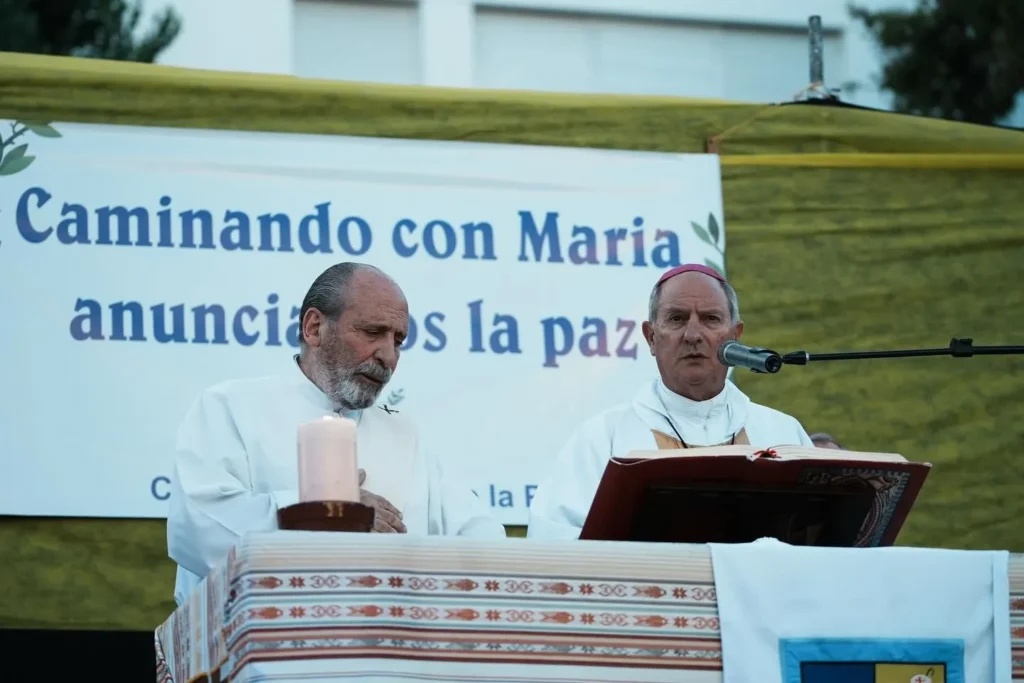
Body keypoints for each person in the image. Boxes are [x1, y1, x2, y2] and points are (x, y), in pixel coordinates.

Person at [167, 262, 505, 604]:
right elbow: (198, 528)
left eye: (398, 341)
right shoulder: (231, 407)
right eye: (373, 332)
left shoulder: (405, 434)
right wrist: (321, 514)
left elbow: (481, 539)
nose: (388, 356)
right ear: (314, 328)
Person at [527, 263, 814, 540]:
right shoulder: (602, 440)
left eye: (710, 319)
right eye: (676, 319)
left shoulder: (783, 435)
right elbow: (554, 543)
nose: (692, 335)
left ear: (735, 336)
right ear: (651, 337)